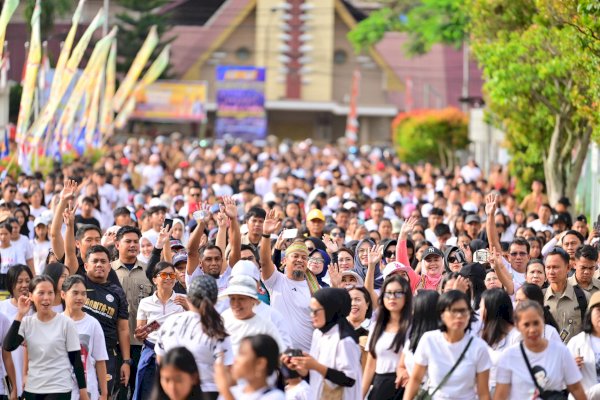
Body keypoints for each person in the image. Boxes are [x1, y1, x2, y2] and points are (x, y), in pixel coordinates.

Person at [3, 275, 88, 400]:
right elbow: (8, 346)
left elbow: (75, 360)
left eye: (50, 293)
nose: (46, 298)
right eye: (41, 293)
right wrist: (20, 314)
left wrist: (83, 392)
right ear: (31, 296)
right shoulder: (27, 323)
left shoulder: (65, 323)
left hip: (59, 387)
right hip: (33, 388)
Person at [403, 290, 491, 400]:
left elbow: (483, 393)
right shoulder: (429, 340)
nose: (459, 316)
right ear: (442, 314)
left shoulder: (479, 347)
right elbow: (415, 380)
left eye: (463, 311)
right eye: (453, 311)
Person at [155, 275, 233, 400]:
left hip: (174, 391)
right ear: (215, 300)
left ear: (189, 299)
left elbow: (161, 361)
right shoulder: (217, 328)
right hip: (210, 392)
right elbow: (226, 371)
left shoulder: (170, 323)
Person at [494, 300, 586, 400]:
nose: (532, 330)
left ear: (543, 321)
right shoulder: (508, 357)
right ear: (517, 326)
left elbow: (576, 389)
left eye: (536, 323)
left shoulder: (561, 352)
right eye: (526, 325)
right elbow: (500, 396)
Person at [284, 287, 362, 399]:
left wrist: (315, 366)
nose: (311, 315)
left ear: (330, 309)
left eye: (315, 311)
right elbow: (317, 375)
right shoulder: (318, 334)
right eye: (310, 311)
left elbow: (349, 379)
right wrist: (301, 367)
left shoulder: (345, 340)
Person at [260, 210, 314, 353]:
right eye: (295, 256)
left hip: (307, 357)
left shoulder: (314, 287)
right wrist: (265, 235)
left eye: (304, 257)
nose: (300, 260)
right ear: (284, 260)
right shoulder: (276, 280)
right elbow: (265, 262)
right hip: (279, 355)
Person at [134, 262, 187, 400]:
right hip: (151, 352)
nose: (168, 278)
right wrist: (139, 334)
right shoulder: (145, 302)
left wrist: (189, 307)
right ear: (154, 280)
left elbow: (198, 322)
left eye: (172, 274)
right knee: (147, 393)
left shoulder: (183, 300)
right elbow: (140, 332)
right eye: (164, 274)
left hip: (175, 354)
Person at [363, 276, 412, 399]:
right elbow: (370, 366)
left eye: (398, 293)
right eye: (388, 293)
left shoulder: (413, 326)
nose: (392, 297)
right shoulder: (376, 326)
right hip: (380, 386)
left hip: (405, 387)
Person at [62, 275, 109, 400]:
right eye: (75, 293)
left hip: (88, 391)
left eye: (83, 294)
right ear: (63, 295)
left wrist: (104, 393)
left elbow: (100, 360)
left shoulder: (92, 324)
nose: (80, 297)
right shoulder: (55, 323)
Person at [220, 275, 284, 355]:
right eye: (232, 298)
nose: (236, 304)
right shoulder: (224, 318)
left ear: (253, 300)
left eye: (241, 298)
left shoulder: (266, 326)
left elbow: (280, 355)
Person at [215, 334, 285, 400]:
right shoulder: (233, 391)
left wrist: (225, 390)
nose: (235, 360)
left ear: (260, 363)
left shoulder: (275, 396)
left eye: (242, 354)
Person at [397, 290, 440, 389]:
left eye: (413, 306)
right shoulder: (413, 335)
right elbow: (401, 365)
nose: (410, 310)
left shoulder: (440, 341)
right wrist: (404, 375)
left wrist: (414, 381)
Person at [479, 288, 519, 394]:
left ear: (491, 308)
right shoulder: (483, 334)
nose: (479, 311)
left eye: (481, 307)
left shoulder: (517, 336)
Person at [0, 264, 32, 398]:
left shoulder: (39, 309)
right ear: (11, 284)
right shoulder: (2, 309)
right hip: (7, 374)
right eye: (19, 281)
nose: (24, 285)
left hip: (32, 375)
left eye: (28, 281)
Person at [544, 247, 588, 342]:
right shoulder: (539, 298)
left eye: (555, 267)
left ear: (568, 268)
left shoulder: (583, 297)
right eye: (548, 267)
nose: (551, 272)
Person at [567, 291, 600, 398]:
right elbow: (562, 380)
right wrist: (571, 368)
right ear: (590, 314)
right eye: (599, 310)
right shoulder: (577, 342)